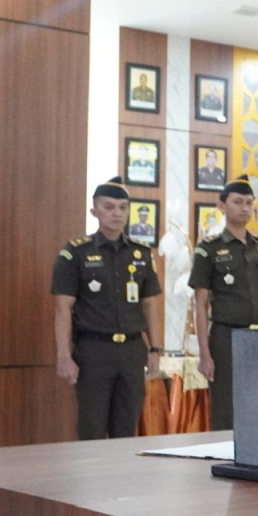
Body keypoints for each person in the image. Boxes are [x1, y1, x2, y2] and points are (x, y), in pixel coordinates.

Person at [51, 177, 162, 439]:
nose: (117, 213)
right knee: (92, 428)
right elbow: (62, 308)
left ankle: (123, 470)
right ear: (95, 211)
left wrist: (155, 349)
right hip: (94, 351)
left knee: (127, 428)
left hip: (133, 350)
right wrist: (64, 356)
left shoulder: (142, 254)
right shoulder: (75, 253)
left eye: (123, 207)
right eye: (109, 207)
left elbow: (149, 305)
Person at [189, 175, 258, 430]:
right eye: (238, 202)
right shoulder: (209, 248)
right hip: (226, 338)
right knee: (226, 410)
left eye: (249, 203)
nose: (245, 208)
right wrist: (204, 354)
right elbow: (200, 304)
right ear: (221, 205)